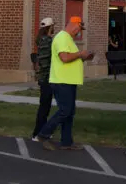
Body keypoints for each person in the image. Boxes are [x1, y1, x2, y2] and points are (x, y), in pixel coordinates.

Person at [36, 17, 94, 150]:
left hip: (69, 80)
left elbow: (71, 58)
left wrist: (84, 57)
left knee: (70, 112)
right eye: (79, 28)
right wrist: (80, 54)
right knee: (65, 111)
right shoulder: (62, 37)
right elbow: (64, 58)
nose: (79, 32)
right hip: (61, 81)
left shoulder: (69, 39)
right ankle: (44, 134)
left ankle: (66, 142)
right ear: (74, 25)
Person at [31, 18, 55, 141]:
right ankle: (38, 133)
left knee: (45, 106)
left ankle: (43, 130)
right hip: (47, 77)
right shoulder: (48, 41)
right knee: (44, 106)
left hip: (43, 77)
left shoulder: (40, 40)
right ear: (50, 27)